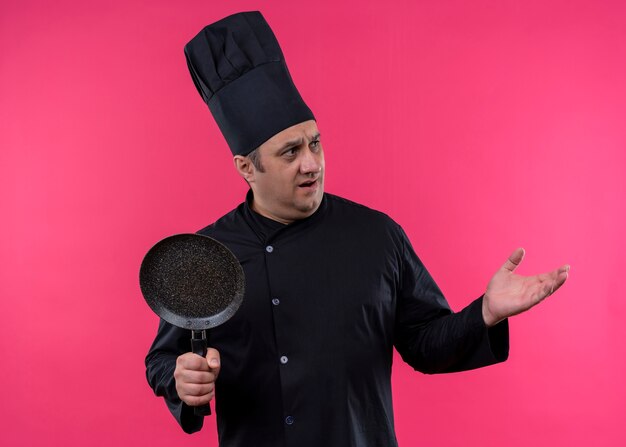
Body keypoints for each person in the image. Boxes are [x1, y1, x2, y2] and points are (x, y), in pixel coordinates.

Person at [145, 11, 569, 447]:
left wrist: (486, 313)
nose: (311, 163)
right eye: (289, 153)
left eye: (315, 143)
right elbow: (163, 359)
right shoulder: (209, 253)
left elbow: (426, 343)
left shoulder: (377, 237)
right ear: (246, 167)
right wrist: (180, 382)